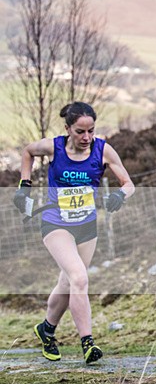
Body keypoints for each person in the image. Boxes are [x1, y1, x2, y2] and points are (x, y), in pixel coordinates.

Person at [13, 102, 134, 364]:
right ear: (68, 129)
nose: (86, 137)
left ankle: (46, 329)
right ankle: (88, 343)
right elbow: (28, 152)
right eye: (80, 131)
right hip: (56, 223)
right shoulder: (54, 147)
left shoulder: (103, 150)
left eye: (91, 131)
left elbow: (128, 183)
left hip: (86, 227)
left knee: (68, 283)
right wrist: (24, 185)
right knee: (79, 277)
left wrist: (119, 195)